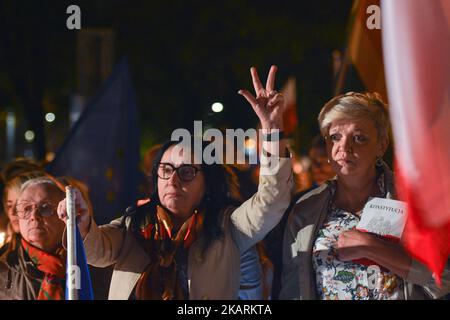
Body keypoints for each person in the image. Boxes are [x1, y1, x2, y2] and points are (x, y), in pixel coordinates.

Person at [57, 65, 293, 300]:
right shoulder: (134, 223)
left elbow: (271, 201)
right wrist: (82, 222)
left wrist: (272, 129)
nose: (173, 179)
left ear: (208, 182)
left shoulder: (229, 227)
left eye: (187, 172)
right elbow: (96, 250)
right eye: (166, 169)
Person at [280, 91, 450, 300]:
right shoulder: (305, 210)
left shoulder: (414, 199)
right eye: (335, 137)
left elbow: (444, 281)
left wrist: (374, 247)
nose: (344, 147)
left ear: (381, 145)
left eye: (359, 138)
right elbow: (291, 292)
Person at [0, 177, 67, 299]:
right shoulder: (2, 272)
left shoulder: (93, 265)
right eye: (26, 209)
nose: (34, 216)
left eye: (45, 207)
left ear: (65, 214)